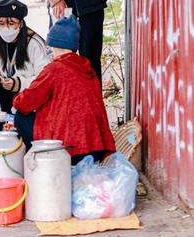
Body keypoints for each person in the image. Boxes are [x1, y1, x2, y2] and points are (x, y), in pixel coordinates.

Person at [13, 15, 116, 164]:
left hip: (68, 151)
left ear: (53, 45)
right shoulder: (88, 70)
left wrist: (17, 97)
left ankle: (39, 164)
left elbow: (24, 102)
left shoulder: (54, 69)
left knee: (21, 117)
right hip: (96, 148)